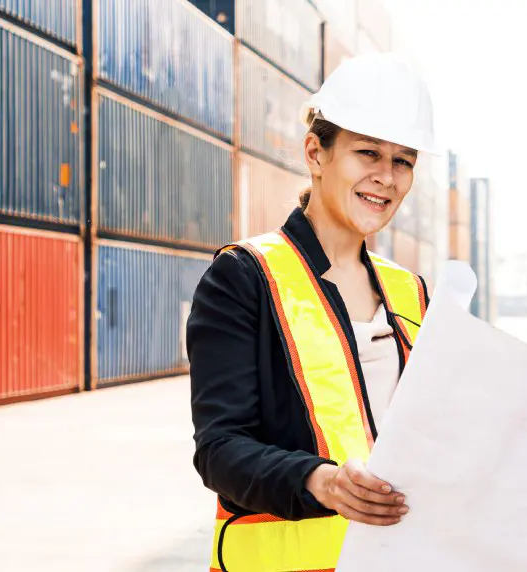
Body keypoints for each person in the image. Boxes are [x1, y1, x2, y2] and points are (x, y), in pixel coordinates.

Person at [186, 53, 439, 572]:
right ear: (316, 153)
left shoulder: (409, 292)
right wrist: (321, 482)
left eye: (403, 160)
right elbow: (220, 450)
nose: (386, 178)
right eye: (367, 152)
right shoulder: (244, 277)